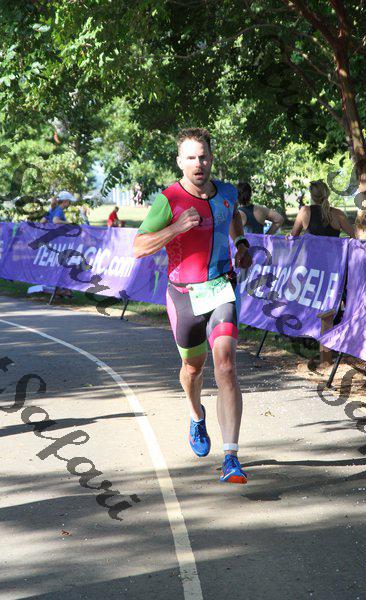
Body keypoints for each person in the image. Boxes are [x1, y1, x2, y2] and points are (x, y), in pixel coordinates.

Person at [133, 127, 252, 484]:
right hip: (183, 295)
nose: (198, 164)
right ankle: (196, 414)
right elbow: (139, 247)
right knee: (193, 369)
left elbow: (233, 217)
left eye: (203, 157)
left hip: (220, 288)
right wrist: (176, 228)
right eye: (190, 158)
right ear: (180, 162)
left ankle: (231, 457)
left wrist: (241, 244)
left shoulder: (227, 192)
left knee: (226, 367)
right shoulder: (168, 199)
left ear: (211, 158)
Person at [291, 180, 355, 237]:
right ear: (327, 194)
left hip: (311, 247)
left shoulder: (304, 211)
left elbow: (293, 237)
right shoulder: (338, 214)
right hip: (333, 247)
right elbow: (355, 236)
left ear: (312, 195)